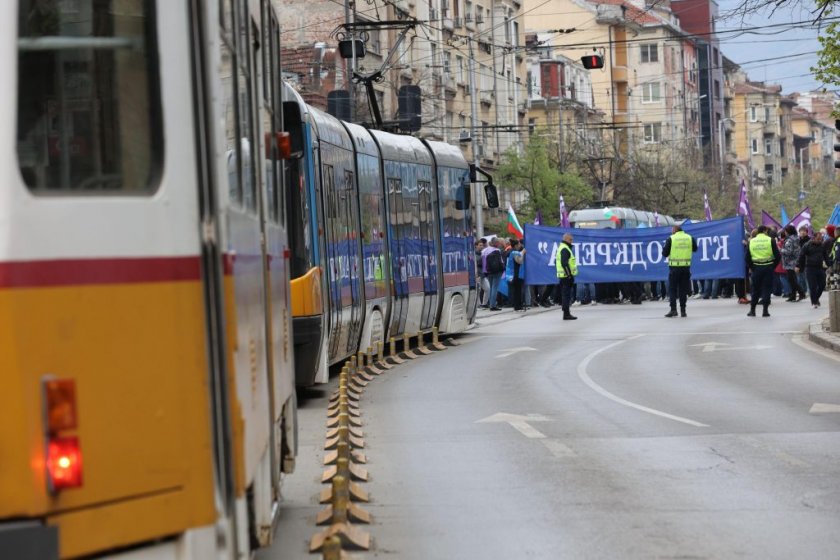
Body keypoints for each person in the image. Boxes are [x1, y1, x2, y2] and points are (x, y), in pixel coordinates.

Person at [662, 224, 697, 318]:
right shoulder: (689, 237)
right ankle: (683, 311)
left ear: (674, 230)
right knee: (683, 290)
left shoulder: (671, 238)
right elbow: (695, 249)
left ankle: (673, 310)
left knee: (672, 289)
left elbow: (664, 253)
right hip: (686, 268)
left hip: (674, 268)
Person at [746, 224, 781, 317]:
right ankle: (765, 311)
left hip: (756, 268)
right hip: (768, 268)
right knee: (767, 289)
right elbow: (778, 256)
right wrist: (773, 266)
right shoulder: (771, 240)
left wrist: (752, 267)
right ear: (765, 231)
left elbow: (747, 257)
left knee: (755, 289)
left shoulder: (751, 241)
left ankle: (752, 310)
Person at [796, 229, 829, 308]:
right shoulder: (807, 245)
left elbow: (826, 256)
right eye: (818, 239)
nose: (820, 240)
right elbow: (801, 256)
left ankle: (816, 298)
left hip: (820, 268)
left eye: (821, 239)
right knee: (812, 286)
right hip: (810, 268)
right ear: (813, 238)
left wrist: (829, 264)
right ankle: (814, 302)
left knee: (822, 285)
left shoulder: (822, 245)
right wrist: (798, 265)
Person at [555, 232, 578, 320]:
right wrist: (569, 275)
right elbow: (564, 263)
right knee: (566, 295)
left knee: (566, 295)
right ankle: (566, 314)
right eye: (570, 239)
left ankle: (566, 313)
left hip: (564, 275)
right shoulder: (565, 248)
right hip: (566, 276)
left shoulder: (563, 247)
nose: (571, 241)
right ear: (565, 239)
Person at [780, 225, 806, 302]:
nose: (784, 232)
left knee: (791, 280)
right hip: (795, 260)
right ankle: (793, 295)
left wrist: (780, 250)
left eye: (785, 231)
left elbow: (788, 251)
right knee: (793, 279)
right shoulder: (796, 238)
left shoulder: (789, 240)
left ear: (788, 232)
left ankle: (801, 293)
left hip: (790, 262)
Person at [482, 238, 505, 311]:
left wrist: (485, 271)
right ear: (496, 243)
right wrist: (503, 269)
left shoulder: (484, 251)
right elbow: (501, 261)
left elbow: (483, 262)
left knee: (491, 287)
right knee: (495, 288)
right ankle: (493, 305)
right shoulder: (497, 250)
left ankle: (490, 304)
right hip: (497, 271)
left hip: (488, 271)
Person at [506, 239, 526, 311]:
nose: (520, 245)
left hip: (515, 273)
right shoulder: (514, 252)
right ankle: (517, 306)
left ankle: (518, 305)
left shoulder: (512, 251)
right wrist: (523, 252)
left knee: (517, 290)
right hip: (516, 273)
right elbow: (519, 261)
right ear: (516, 245)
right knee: (517, 291)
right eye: (519, 244)